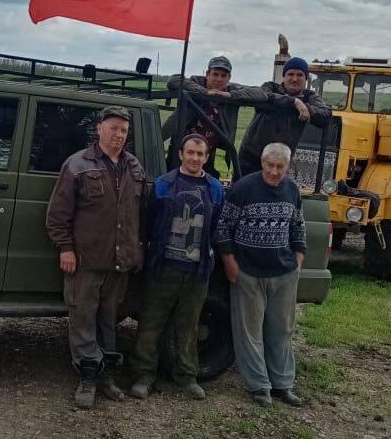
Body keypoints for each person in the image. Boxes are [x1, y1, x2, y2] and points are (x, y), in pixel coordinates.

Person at [45, 106, 146, 409]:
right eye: (113, 128)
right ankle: (88, 378)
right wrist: (66, 248)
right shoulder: (77, 165)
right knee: (83, 319)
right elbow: (56, 215)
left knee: (109, 322)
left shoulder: (134, 167)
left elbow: (141, 216)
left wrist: (138, 249)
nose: (118, 135)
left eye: (124, 131)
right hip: (86, 261)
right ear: (99, 129)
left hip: (120, 263)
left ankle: (107, 377)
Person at [129, 134, 224, 400]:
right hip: (164, 268)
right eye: (190, 152)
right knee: (150, 325)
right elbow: (148, 221)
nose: (195, 158)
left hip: (197, 272)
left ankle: (187, 377)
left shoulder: (215, 189)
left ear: (206, 158)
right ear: (181, 154)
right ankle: (143, 375)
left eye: (200, 154)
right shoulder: (163, 184)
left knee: (189, 326)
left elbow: (214, 226)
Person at [215, 142, 307, 407]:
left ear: (288, 167)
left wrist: (298, 260)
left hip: (283, 272)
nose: (274, 172)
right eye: (270, 165)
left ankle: (283, 385)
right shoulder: (244, 188)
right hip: (249, 273)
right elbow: (223, 229)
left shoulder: (292, 190)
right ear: (262, 163)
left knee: (281, 330)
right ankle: (259, 387)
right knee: (249, 332)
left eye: (280, 167)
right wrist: (231, 264)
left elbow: (298, 227)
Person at [162, 56, 305, 179]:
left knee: (209, 184)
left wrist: (231, 96)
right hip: (182, 149)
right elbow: (173, 81)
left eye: (223, 76)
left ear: (229, 78)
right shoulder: (195, 82)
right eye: (215, 74)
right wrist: (205, 92)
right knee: (172, 179)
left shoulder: (231, 90)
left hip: (207, 153)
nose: (218, 79)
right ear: (207, 73)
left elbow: (261, 94)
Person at [239, 57, 332, 176]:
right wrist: (293, 102)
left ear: (306, 79)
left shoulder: (310, 97)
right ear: (284, 76)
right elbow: (262, 97)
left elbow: (325, 115)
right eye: (290, 74)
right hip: (251, 158)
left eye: (299, 75)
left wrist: (306, 108)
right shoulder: (271, 87)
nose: (294, 79)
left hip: (279, 163)